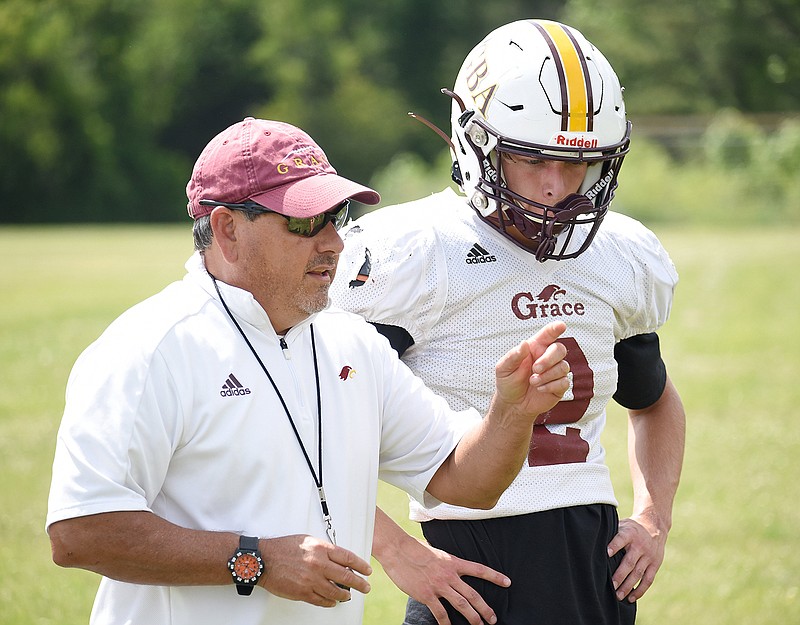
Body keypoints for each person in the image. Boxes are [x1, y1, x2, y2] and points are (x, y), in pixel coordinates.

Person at [45, 117, 573, 625]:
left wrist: (511, 414)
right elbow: (80, 531)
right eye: (304, 222)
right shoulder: (150, 348)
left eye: (336, 218)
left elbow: (466, 481)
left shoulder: (353, 344)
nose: (334, 243)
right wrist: (257, 561)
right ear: (227, 230)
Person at [329, 19, 686, 625]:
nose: (557, 187)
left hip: (594, 561)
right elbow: (311, 425)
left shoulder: (619, 254)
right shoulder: (415, 253)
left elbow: (654, 400)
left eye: (579, 165)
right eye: (531, 159)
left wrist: (653, 517)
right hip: (469, 560)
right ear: (477, 142)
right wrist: (396, 551)